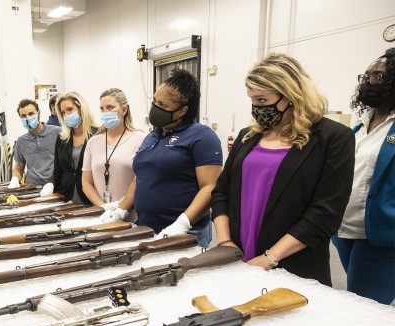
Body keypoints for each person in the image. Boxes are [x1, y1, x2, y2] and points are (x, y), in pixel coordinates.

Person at [211, 53, 355, 286]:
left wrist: (270, 258)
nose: (256, 108)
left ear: (291, 95)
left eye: (262, 100)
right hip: (237, 262)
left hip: (293, 265)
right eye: (252, 100)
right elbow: (221, 192)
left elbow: (325, 212)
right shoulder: (247, 137)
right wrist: (225, 243)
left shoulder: (333, 139)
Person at [130, 68, 222, 247]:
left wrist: (182, 224)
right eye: (155, 102)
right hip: (146, 228)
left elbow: (210, 187)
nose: (155, 108)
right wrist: (119, 209)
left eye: (163, 106)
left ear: (182, 111)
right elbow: (138, 179)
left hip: (184, 232)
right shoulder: (152, 135)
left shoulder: (202, 136)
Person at [332, 48, 395, 305]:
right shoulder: (360, 124)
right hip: (345, 229)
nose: (368, 82)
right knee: (363, 300)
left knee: (362, 304)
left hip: (380, 235)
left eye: (377, 77)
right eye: (366, 76)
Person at [82, 88, 146, 223]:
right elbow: (86, 182)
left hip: (131, 217)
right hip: (101, 216)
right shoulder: (93, 142)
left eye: (110, 107)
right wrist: (103, 206)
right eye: (102, 108)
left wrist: (119, 207)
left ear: (123, 110)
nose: (105, 112)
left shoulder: (140, 139)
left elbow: (141, 181)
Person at [49, 92, 98, 205]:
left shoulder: (98, 135)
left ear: (81, 108)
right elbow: (57, 170)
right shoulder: (62, 138)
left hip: (91, 197)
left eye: (70, 109)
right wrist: (50, 185)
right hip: (66, 197)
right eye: (63, 112)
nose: (66, 115)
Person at [8, 99, 60, 195]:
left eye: (31, 114)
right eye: (23, 116)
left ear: (39, 113)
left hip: (56, 188)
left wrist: (52, 184)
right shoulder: (21, 141)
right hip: (32, 190)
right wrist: (15, 179)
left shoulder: (58, 132)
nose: (27, 118)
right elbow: (19, 168)